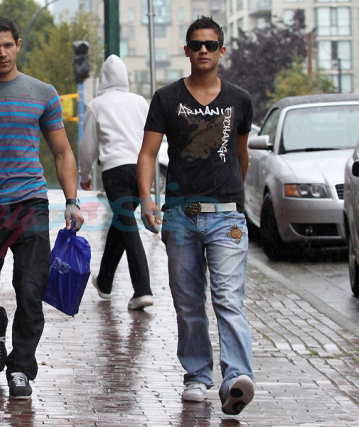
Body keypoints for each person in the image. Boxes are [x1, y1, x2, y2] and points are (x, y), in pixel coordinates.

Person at [0, 16, 83, 400]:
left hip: (30, 204)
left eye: (8, 45)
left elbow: (62, 151)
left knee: (30, 288)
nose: (2, 53)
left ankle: (21, 367)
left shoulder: (43, 93)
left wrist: (71, 201)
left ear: (18, 45)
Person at [137, 16, 255, 415]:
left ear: (222, 50)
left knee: (228, 299)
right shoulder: (166, 98)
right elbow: (148, 153)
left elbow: (241, 157)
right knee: (187, 302)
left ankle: (237, 378)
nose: (203, 50)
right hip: (180, 216)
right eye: (196, 44)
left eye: (211, 44)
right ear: (186, 50)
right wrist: (147, 200)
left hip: (227, 218)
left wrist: (232, 197)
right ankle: (197, 374)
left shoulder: (240, 99)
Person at [79, 54, 153, 311]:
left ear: (102, 79)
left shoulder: (96, 105)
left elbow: (88, 146)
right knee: (123, 222)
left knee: (127, 226)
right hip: (141, 169)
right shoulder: (140, 102)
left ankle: (143, 289)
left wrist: (85, 175)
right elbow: (151, 135)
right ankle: (105, 281)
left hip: (115, 171)